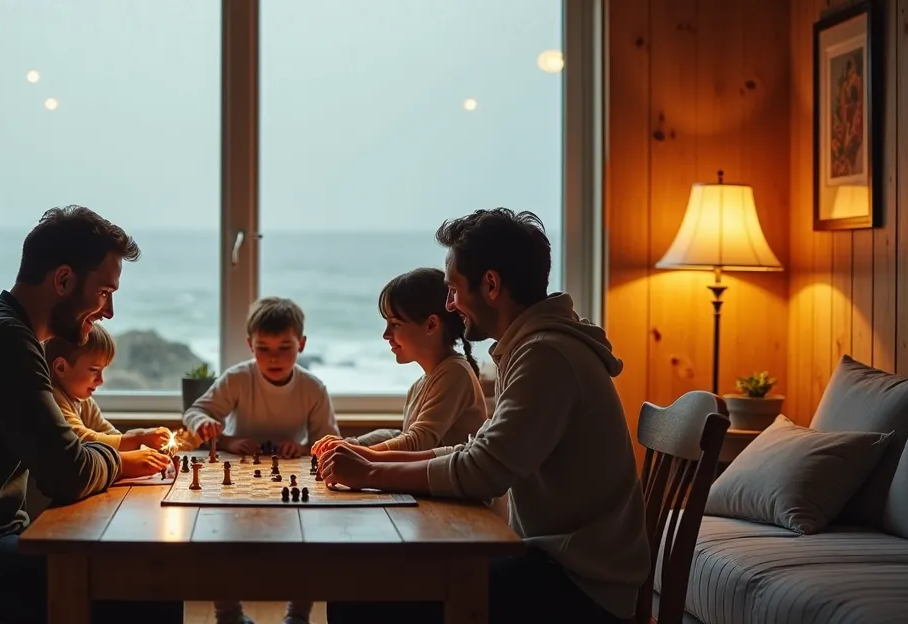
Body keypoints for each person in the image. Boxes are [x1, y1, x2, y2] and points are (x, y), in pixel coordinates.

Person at [321, 208, 650, 624]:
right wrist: (373, 461)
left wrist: (370, 474)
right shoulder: (535, 347)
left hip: (581, 586)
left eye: (454, 289)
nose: (450, 303)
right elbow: (476, 450)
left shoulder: (546, 355)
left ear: (490, 285)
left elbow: (484, 471)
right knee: (368, 582)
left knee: (359, 594)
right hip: (562, 565)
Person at [0, 205, 182, 624]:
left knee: (138, 571)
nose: (108, 312)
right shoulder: (6, 341)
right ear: (63, 280)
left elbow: (65, 452)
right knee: (152, 581)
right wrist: (121, 461)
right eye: (104, 293)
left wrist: (109, 456)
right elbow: (69, 473)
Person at [184, 296, 339, 624]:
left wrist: (300, 449)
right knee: (219, 539)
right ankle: (229, 615)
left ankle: (298, 615)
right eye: (263, 348)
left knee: (306, 543)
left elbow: (328, 443)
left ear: (302, 344)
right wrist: (222, 436)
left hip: (290, 477)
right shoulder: (237, 378)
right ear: (249, 344)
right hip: (237, 474)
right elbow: (196, 411)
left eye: (285, 347)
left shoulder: (314, 388)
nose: (274, 358)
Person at [311, 267, 488, 457]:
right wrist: (353, 443)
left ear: (431, 325)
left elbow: (418, 442)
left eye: (395, 324)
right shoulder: (420, 384)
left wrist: (360, 452)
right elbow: (404, 436)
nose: (386, 335)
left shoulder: (455, 373)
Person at [44, 322, 173, 452]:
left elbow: (109, 435)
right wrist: (137, 438)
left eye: (102, 370)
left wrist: (137, 436)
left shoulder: (84, 402)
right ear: (61, 367)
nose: (101, 380)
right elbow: (80, 439)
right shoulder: (52, 400)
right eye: (94, 370)